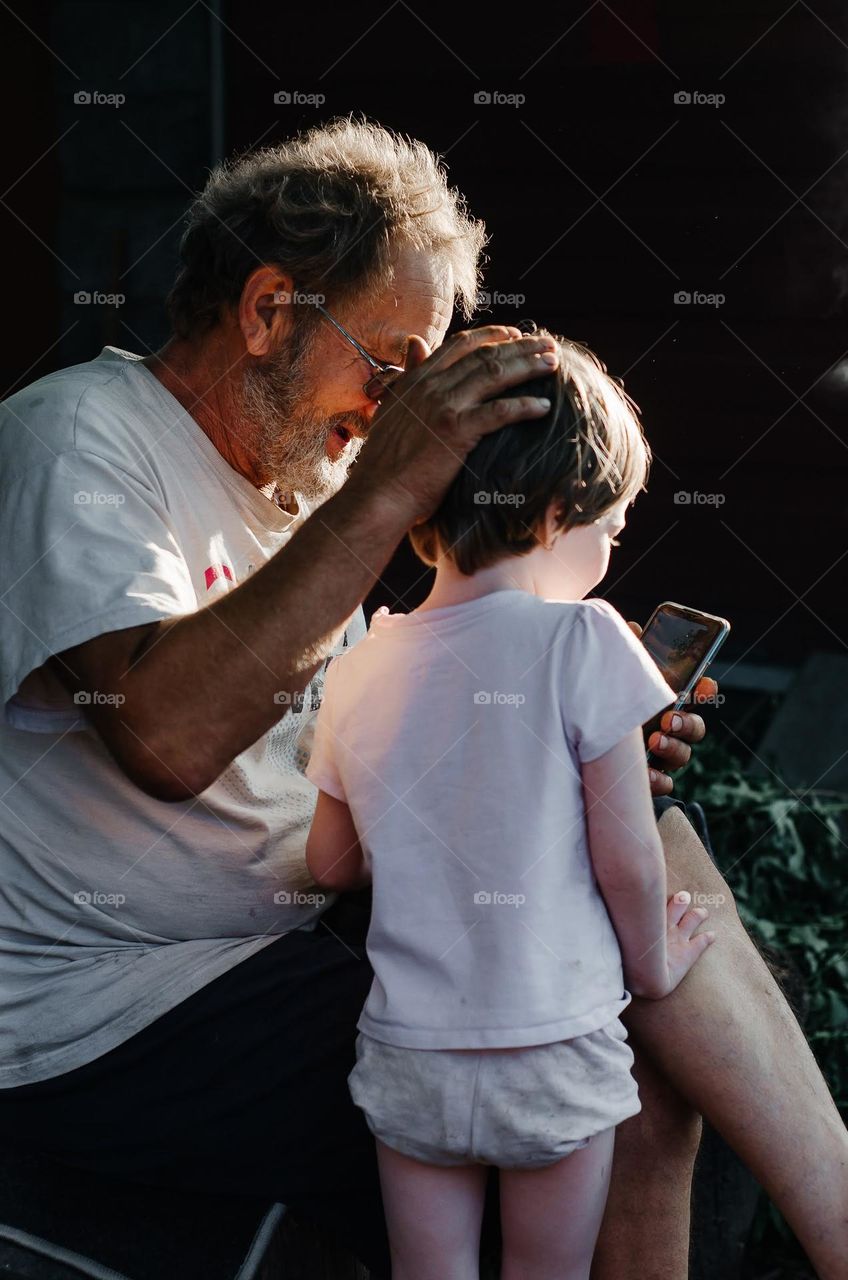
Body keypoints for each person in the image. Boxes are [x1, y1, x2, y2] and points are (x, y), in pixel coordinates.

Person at [0, 119, 845, 1280]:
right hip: (117, 1010)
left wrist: (566, 757)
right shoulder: (76, 439)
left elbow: (366, 789)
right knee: (606, 1068)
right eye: (393, 365)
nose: (399, 416)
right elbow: (164, 732)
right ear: (267, 312)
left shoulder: (306, 495)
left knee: (649, 849)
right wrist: (386, 487)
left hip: (301, 929)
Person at [304, 336, 718, 1279]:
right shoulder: (586, 639)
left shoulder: (364, 662)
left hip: (411, 1058)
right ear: (556, 509)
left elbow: (329, 866)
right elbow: (627, 856)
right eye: (610, 526)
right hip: (553, 1052)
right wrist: (655, 967)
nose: (613, 551)